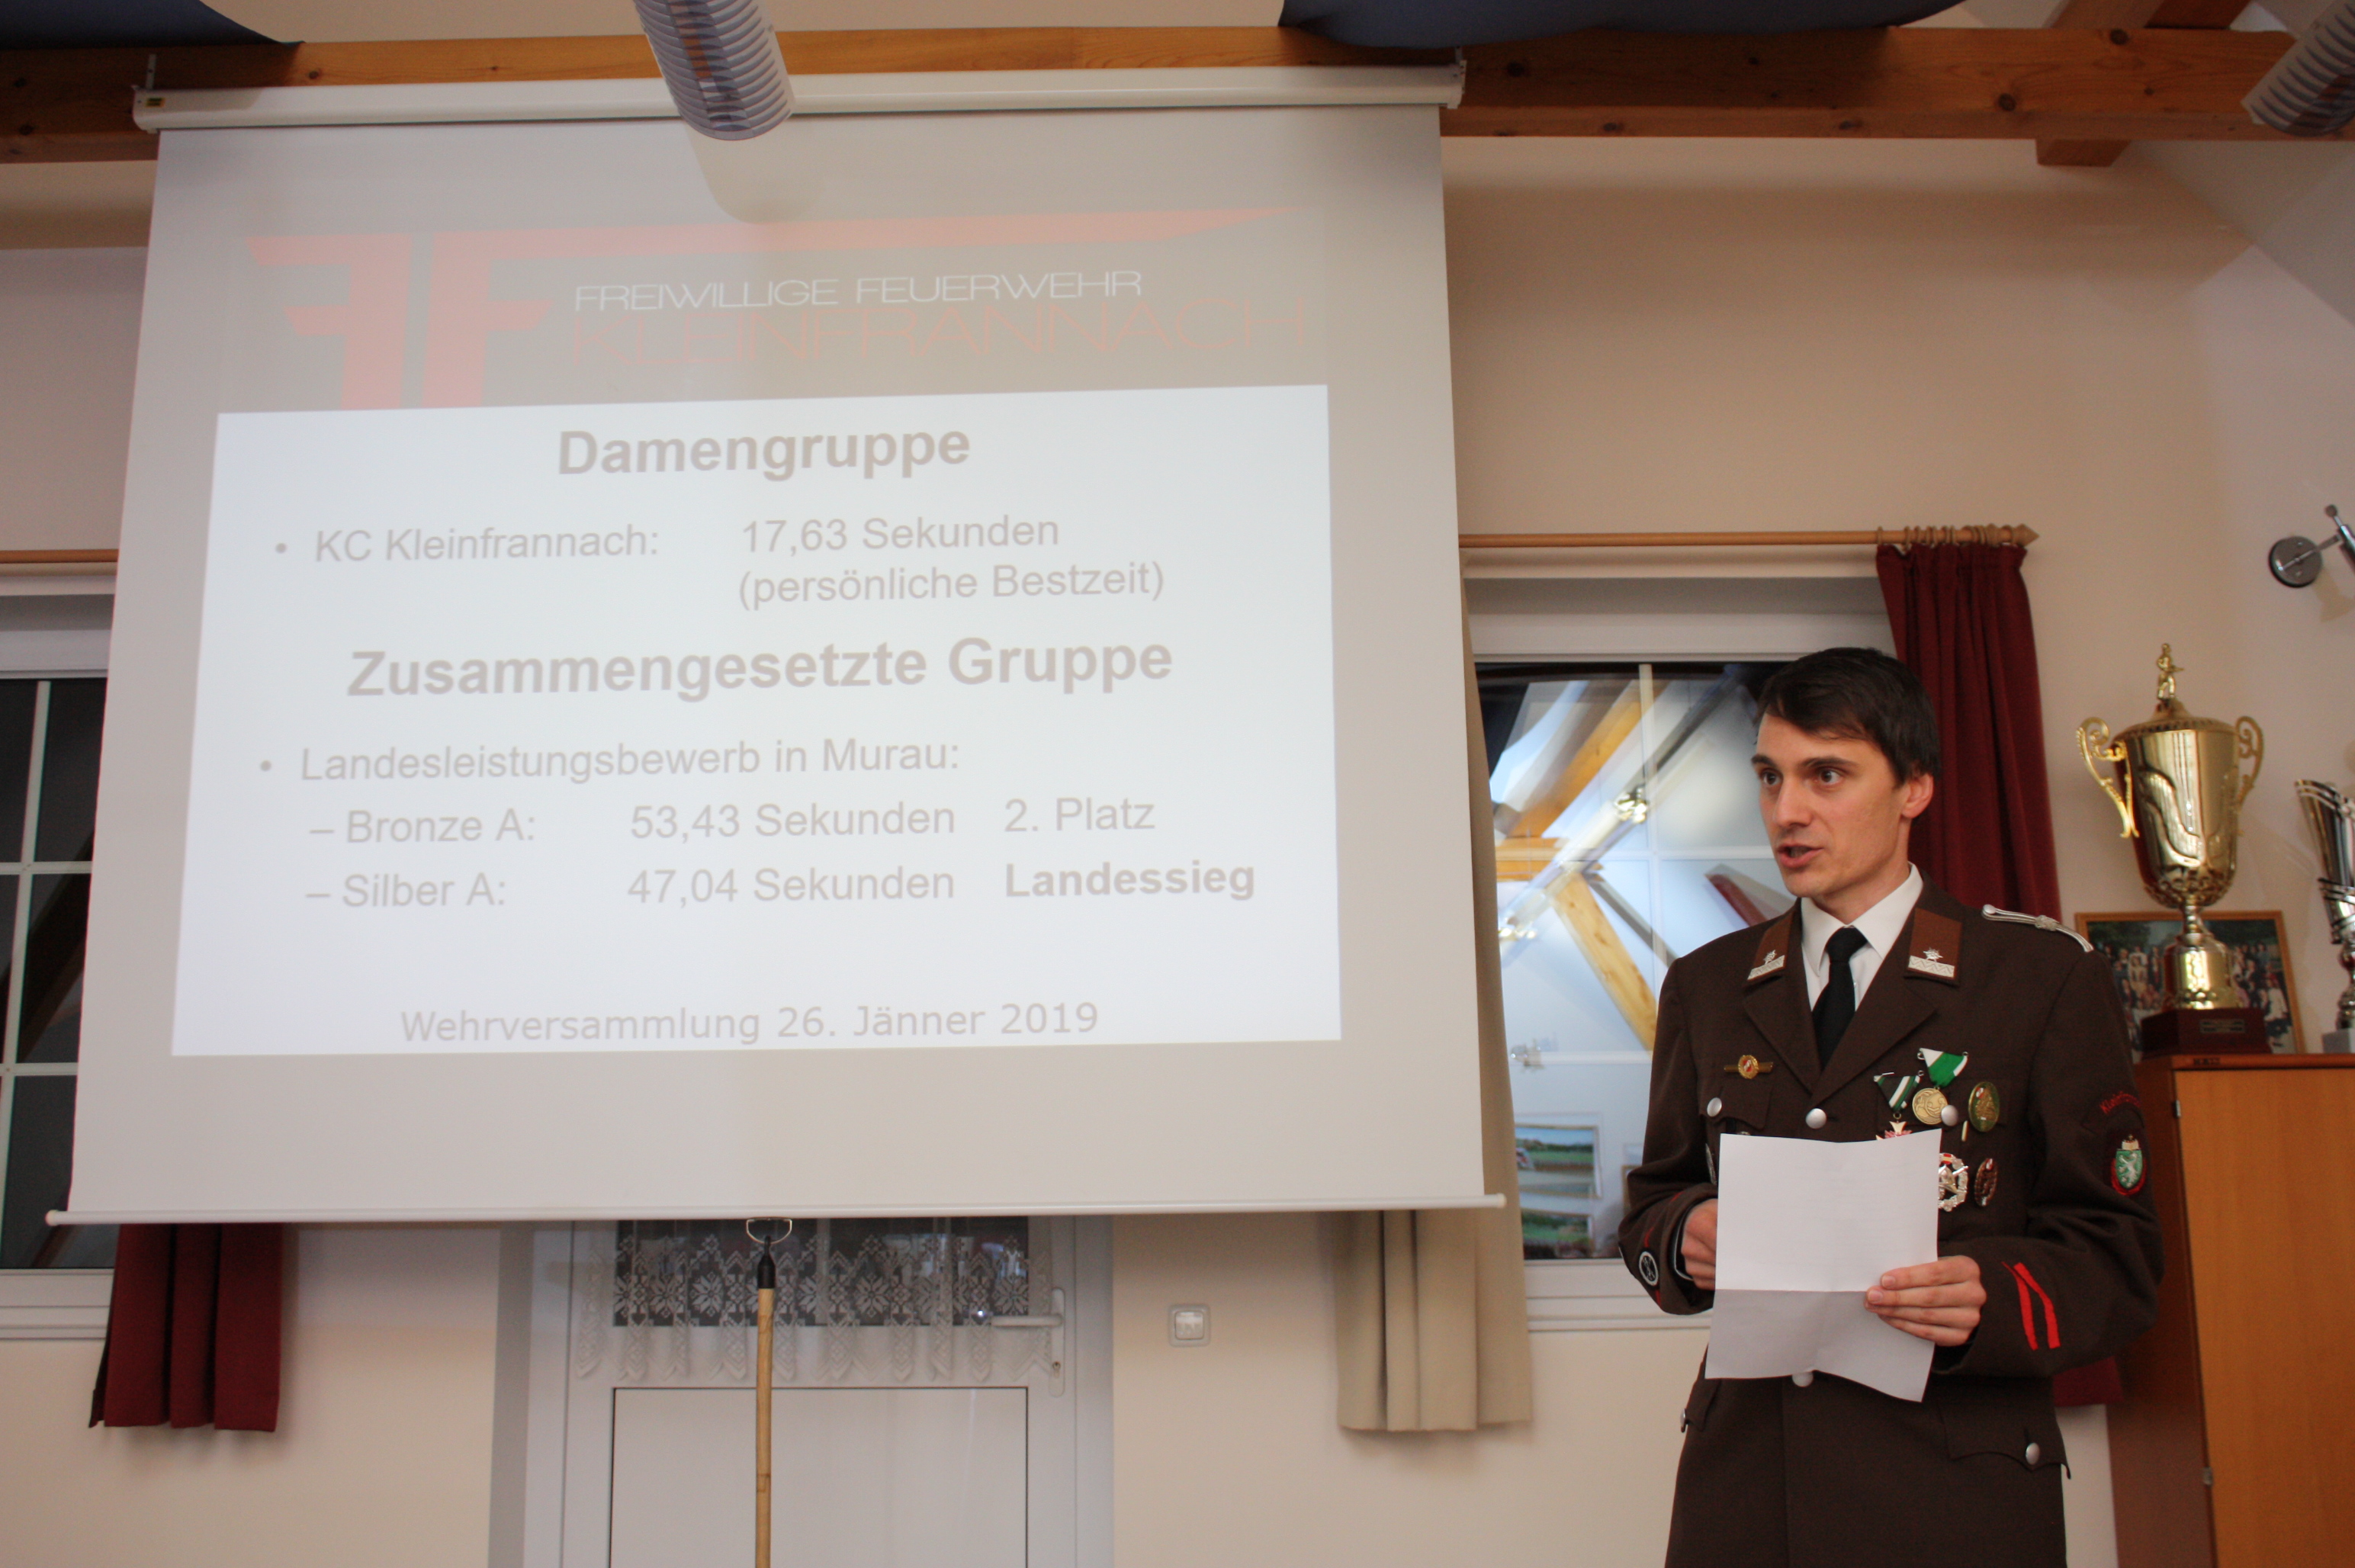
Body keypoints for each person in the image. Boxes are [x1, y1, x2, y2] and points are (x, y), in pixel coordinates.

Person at [1619, 647, 2163, 1568]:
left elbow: (2120, 1258)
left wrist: (1989, 1292)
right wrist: (1684, 1234)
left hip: (1953, 1491)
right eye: (1770, 776)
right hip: (1751, 1489)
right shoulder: (1706, 985)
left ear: (1914, 787)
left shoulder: (2037, 977)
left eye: (1825, 775)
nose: (1786, 811)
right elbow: (1652, 1203)